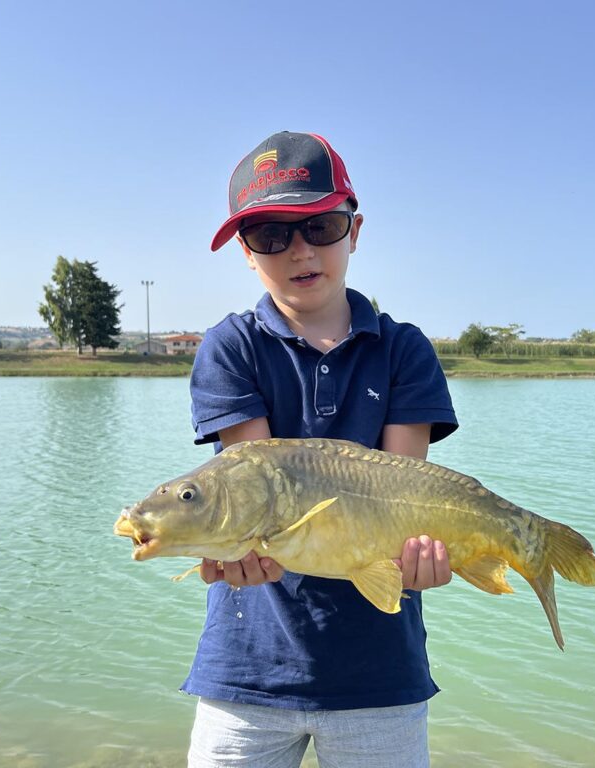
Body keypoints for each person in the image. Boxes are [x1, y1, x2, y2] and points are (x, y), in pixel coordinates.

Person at [185, 131, 459, 768]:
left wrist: (424, 554)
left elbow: (402, 499)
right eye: (271, 236)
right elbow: (253, 501)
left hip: (380, 673)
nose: (300, 251)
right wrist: (236, 545)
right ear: (246, 253)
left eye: (321, 225)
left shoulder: (404, 350)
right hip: (248, 667)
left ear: (354, 230)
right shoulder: (231, 348)